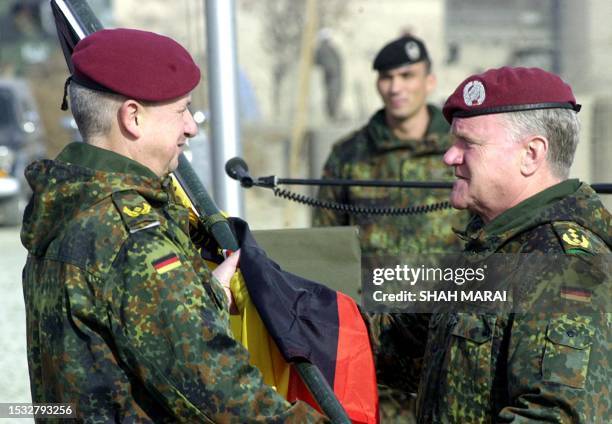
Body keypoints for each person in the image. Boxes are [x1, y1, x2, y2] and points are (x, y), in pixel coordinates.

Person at [20, 28, 326, 422]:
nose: (191, 127)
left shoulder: (67, 206)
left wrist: (206, 297)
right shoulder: (131, 238)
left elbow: (121, 340)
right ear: (133, 117)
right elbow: (223, 396)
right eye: (181, 110)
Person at [378, 66, 611, 422]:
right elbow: (397, 344)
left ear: (531, 154)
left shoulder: (564, 266)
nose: (449, 157)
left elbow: (555, 415)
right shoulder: (496, 248)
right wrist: (276, 294)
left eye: (467, 144)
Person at [313, 34, 467, 422]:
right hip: (373, 341)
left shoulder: (459, 151)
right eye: (386, 77)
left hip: (446, 334)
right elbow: (326, 248)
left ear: (429, 80)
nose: (396, 87)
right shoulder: (349, 154)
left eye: (407, 75)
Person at [314, 28, 343, 121]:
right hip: (330, 76)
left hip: (336, 75)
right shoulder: (321, 50)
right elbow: (316, 61)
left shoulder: (331, 49)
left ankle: (334, 114)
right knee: (331, 95)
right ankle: (332, 115)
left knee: (335, 94)